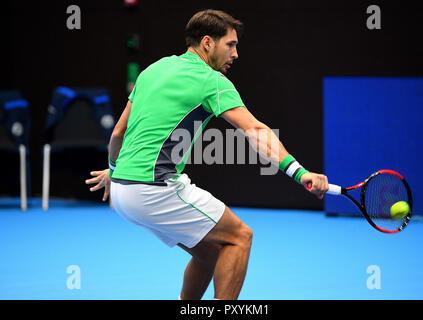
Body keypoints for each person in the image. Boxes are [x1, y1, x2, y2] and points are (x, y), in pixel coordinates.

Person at [85, 9, 328, 300]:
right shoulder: (211, 81)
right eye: (231, 44)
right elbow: (255, 131)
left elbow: (118, 134)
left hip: (123, 192)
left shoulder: (153, 69)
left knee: (209, 252)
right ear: (208, 43)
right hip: (152, 189)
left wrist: (114, 170)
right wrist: (300, 173)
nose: (236, 54)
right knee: (240, 237)